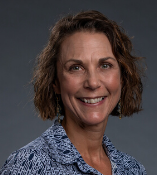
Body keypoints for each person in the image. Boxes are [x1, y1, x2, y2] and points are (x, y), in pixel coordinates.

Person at [0, 10, 146, 175]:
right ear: (55, 82)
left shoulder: (133, 169)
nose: (92, 82)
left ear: (122, 77)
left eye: (105, 65)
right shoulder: (27, 166)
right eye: (76, 67)